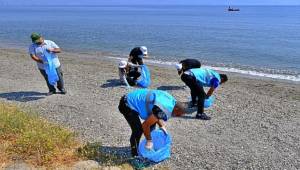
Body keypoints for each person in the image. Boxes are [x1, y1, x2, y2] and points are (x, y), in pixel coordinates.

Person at [118, 89, 185, 157]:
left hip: (134, 98)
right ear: (176, 109)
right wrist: (149, 140)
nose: (177, 116)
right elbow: (145, 125)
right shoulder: (165, 108)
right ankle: (134, 154)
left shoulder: (171, 101)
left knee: (152, 125)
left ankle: (147, 147)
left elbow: (156, 112)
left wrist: (161, 126)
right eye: (178, 114)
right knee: (137, 130)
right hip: (127, 104)